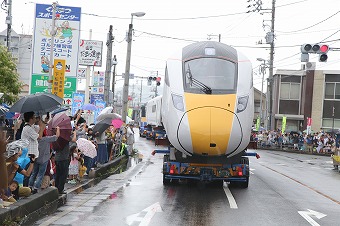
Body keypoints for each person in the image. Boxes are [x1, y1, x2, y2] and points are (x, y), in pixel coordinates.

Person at [29, 126, 59, 193]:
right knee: (40, 175)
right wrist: (58, 129)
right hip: (44, 159)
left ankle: (30, 187)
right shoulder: (46, 139)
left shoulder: (35, 139)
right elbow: (57, 136)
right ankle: (36, 188)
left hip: (36, 158)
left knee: (34, 174)